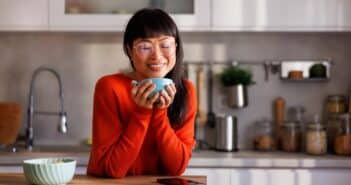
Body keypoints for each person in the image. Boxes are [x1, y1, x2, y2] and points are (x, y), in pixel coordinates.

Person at [87, 8, 197, 178]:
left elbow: (177, 168)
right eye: (145, 47)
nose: (157, 56)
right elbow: (111, 169)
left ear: (175, 47)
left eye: (165, 45)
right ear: (129, 50)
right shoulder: (110, 87)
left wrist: (160, 112)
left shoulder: (185, 91)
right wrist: (142, 113)